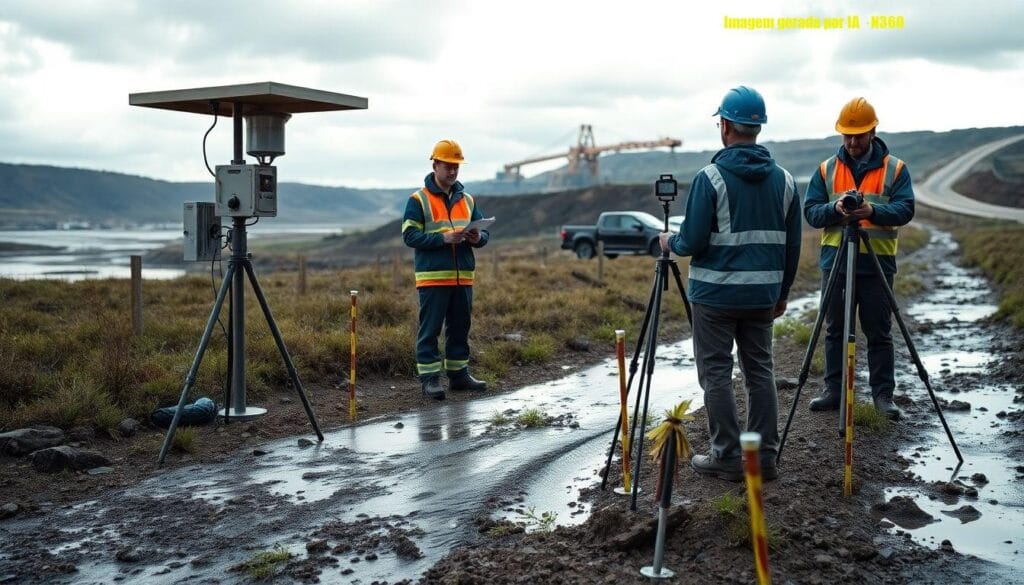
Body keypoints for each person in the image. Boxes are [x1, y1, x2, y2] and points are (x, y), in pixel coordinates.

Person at [659, 86, 801, 481]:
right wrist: (783, 292)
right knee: (760, 371)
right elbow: (792, 248)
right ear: (757, 128)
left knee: (717, 373)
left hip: (715, 296)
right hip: (762, 296)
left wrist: (670, 241)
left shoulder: (710, 178)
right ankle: (764, 458)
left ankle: (726, 455)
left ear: (724, 126)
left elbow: (692, 242)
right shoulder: (787, 182)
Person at [804, 97, 914, 420]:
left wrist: (872, 211)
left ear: (873, 131)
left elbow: (906, 209)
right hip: (835, 264)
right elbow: (811, 211)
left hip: (876, 264)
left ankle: (883, 396)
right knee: (835, 328)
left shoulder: (895, 169)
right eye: (847, 136)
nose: (852, 142)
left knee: (879, 331)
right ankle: (833, 391)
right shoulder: (826, 170)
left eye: (859, 135)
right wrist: (835, 210)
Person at [402, 139, 490, 400]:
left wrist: (478, 238)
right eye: (448, 166)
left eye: (456, 167)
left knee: (460, 327)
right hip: (433, 278)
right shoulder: (418, 199)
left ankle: (459, 375)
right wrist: (443, 239)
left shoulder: (468, 199)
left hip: (463, 278)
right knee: (430, 329)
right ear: (435, 164)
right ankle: (429, 380)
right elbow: (410, 237)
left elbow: (483, 233)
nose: (452, 172)